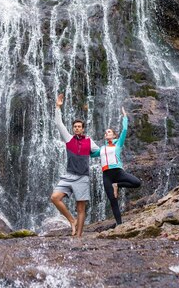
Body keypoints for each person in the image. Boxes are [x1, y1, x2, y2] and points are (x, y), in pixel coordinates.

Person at [50, 93, 99, 237]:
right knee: (55, 197)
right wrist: (58, 107)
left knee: (81, 208)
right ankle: (72, 220)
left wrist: (113, 146)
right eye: (75, 127)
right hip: (69, 175)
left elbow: (99, 152)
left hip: (82, 177)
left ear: (83, 129)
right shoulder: (69, 139)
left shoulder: (89, 142)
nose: (77, 128)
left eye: (79, 127)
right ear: (73, 129)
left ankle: (78, 236)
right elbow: (59, 124)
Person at [92, 107, 141, 227]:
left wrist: (125, 116)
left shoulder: (118, 144)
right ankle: (119, 225)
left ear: (114, 135)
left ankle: (117, 185)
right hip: (106, 175)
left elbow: (124, 130)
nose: (106, 133)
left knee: (137, 182)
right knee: (113, 201)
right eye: (105, 132)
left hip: (118, 172)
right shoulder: (101, 149)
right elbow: (90, 154)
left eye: (109, 132)